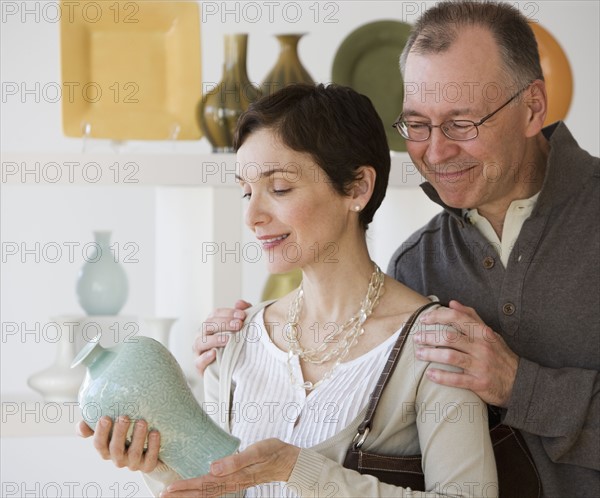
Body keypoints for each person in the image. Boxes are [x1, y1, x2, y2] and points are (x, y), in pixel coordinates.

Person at [194, 1, 600, 497]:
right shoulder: (419, 263)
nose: (437, 151)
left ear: (532, 107)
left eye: (461, 123)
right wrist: (239, 345)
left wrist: (521, 387)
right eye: (418, 125)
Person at [79, 84, 498, 497]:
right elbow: (223, 490)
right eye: (246, 191)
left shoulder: (437, 346)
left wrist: (298, 469)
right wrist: (159, 464)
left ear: (357, 188)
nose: (252, 215)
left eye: (279, 188)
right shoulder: (234, 341)